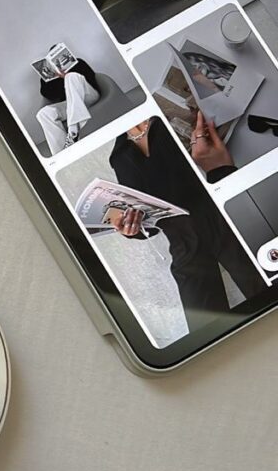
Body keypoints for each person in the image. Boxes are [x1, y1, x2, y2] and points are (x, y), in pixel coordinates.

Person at [107, 112, 265, 332]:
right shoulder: (119, 156)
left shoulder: (169, 122)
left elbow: (213, 162)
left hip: (222, 223)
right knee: (206, 333)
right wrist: (132, 228)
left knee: (265, 289)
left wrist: (219, 170)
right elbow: (146, 215)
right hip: (183, 245)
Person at [37, 56, 100, 153]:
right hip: (71, 104)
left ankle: (73, 131)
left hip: (89, 96)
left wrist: (67, 75)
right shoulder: (54, 73)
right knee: (43, 113)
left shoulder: (79, 62)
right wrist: (54, 78)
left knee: (71, 76)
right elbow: (50, 96)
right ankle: (62, 152)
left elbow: (91, 77)